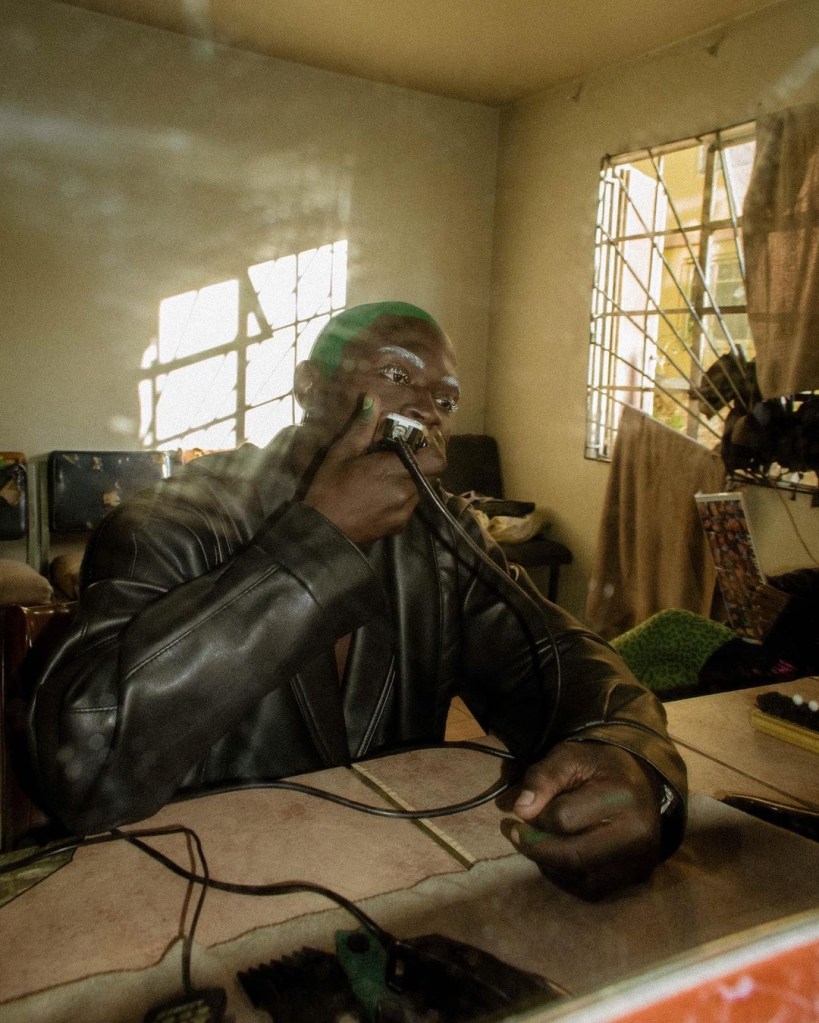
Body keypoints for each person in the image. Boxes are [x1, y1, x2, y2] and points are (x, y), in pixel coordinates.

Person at [28, 301, 687, 900]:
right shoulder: (169, 523)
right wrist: (318, 546)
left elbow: (557, 657)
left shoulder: (442, 534)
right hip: (194, 897)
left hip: (386, 886)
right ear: (308, 388)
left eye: (446, 398)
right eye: (397, 376)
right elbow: (82, 768)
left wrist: (632, 752)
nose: (427, 409)